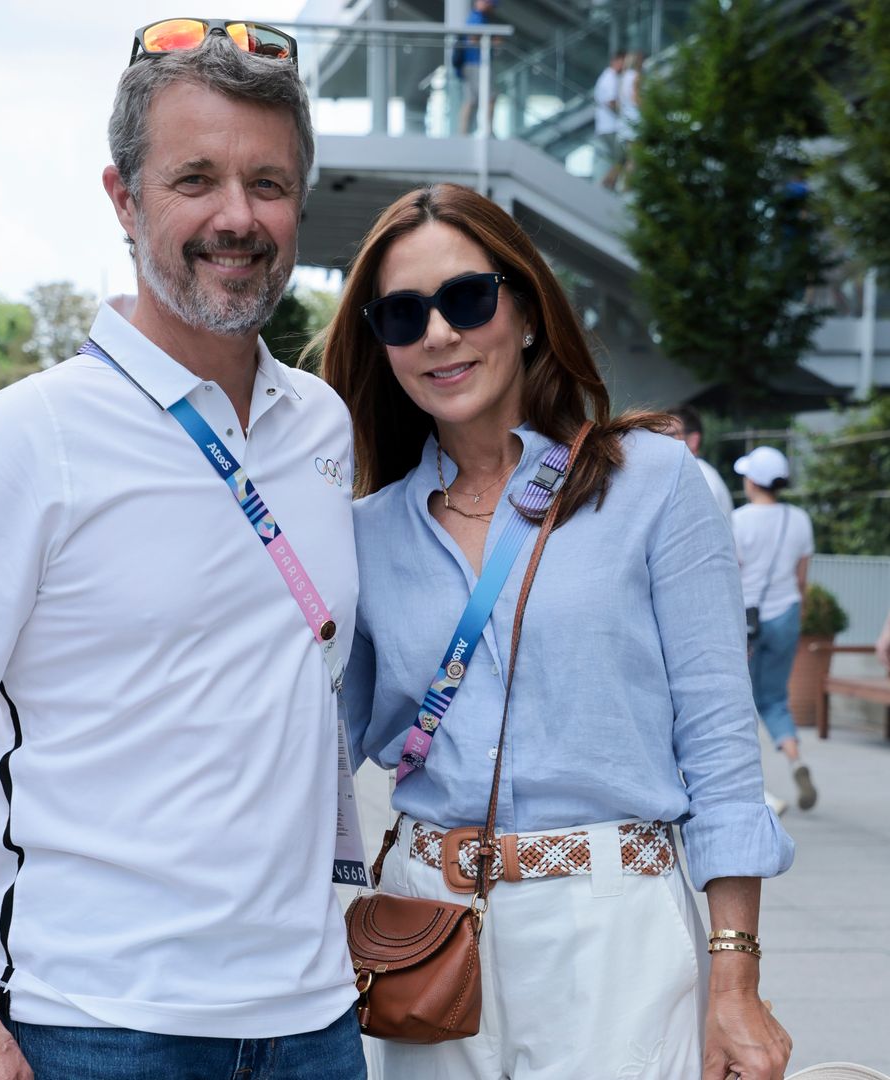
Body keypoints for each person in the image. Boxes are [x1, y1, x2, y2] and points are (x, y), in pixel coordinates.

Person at [0, 24, 365, 1080]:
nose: (237, 217)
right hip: (96, 1021)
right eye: (196, 178)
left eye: (268, 183)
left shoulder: (323, 426)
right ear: (124, 198)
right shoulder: (27, 440)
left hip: (317, 1020)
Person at [322, 183, 794, 1079]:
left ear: (528, 313)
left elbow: (723, 748)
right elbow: (313, 749)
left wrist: (736, 978)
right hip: (424, 926)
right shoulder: (364, 532)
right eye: (404, 314)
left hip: (614, 926)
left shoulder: (655, 485)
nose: (440, 333)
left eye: (467, 298)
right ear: (381, 343)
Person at [732, 446, 818, 812]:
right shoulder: (799, 519)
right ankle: (796, 761)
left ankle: (755, 785)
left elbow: (730, 575)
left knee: (740, 702)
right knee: (774, 698)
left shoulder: (737, 519)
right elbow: (802, 580)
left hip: (745, 620)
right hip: (785, 615)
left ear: (753, 481)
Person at [667, 404, 735, 518]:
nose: (662, 440)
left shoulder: (699, 477)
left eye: (670, 434)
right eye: (658, 434)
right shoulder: (695, 473)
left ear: (693, 440)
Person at [457, 0, 498, 136]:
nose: (490, 7)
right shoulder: (477, 17)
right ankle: (488, 131)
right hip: (477, 64)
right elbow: (473, 40)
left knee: (471, 100)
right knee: (490, 98)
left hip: (472, 64)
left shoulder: (478, 17)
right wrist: (493, 41)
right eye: (488, 3)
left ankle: (464, 133)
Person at [592, 50, 625, 189]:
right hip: (610, 127)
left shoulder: (606, 77)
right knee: (622, 157)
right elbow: (611, 102)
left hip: (605, 126)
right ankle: (607, 183)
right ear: (616, 61)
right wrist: (626, 112)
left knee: (619, 158)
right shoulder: (610, 78)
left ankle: (609, 182)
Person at [616, 49, 643, 189]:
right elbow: (636, 99)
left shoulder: (623, 77)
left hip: (624, 122)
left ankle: (623, 186)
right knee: (634, 159)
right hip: (634, 121)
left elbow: (620, 102)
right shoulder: (636, 76)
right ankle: (626, 187)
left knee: (628, 158)